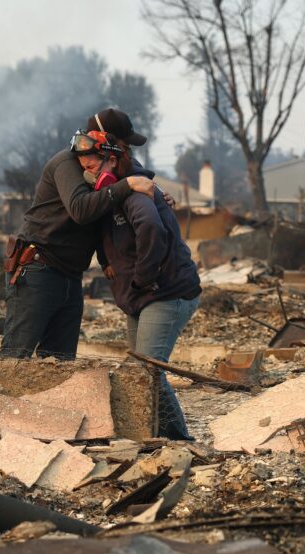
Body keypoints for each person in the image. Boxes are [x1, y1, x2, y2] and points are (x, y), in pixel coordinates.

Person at [0, 109, 168, 359]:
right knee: (15, 356)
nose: (127, 152)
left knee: (60, 362)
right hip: (37, 269)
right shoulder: (67, 164)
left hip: (70, 274)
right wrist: (128, 185)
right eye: (123, 145)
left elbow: (134, 178)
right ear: (105, 140)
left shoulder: (110, 164)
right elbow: (81, 210)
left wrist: (158, 192)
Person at [94, 135, 202, 441]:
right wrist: (105, 262)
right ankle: (154, 435)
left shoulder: (135, 193)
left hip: (165, 293)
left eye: (92, 165)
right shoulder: (111, 195)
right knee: (139, 369)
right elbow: (100, 233)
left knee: (148, 373)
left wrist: (142, 277)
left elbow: (151, 229)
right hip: (142, 295)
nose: (88, 172)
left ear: (112, 161)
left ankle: (179, 439)